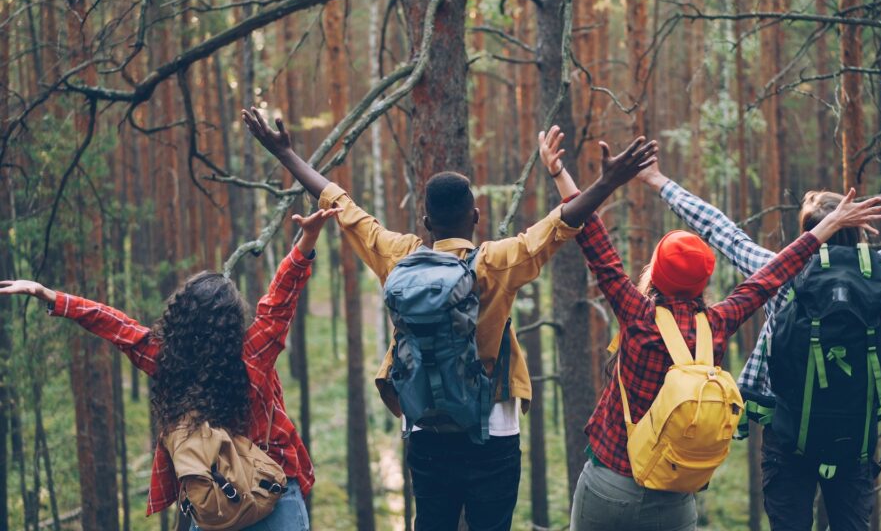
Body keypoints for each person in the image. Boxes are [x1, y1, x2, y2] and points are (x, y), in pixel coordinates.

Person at [241, 107, 657, 531]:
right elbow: (560, 224)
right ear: (475, 216)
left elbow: (340, 204)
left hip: (424, 425)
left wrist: (287, 154)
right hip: (493, 430)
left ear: (426, 222)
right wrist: (607, 182)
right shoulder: (496, 263)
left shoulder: (398, 256)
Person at [634, 146, 881, 530]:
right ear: (856, 228)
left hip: (787, 438)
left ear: (808, 232)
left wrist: (657, 180)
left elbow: (720, 230)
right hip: (853, 442)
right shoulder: (879, 271)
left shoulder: (780, 271)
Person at [538, 129, 881, 531]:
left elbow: (596, 243)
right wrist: (825, 229)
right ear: (704, 282)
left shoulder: (638, 316)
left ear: (655, 272)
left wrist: (560, 173)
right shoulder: (717, 325)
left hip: (609, 484)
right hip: (674, 497)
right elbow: (775, 274)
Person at [0, 208, 339, 530]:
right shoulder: (253, 355)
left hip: (217, 500)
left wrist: (54, 298)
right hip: (273, 491)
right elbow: (279, 301)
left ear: (181, 318)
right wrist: (307, 240)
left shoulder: (169, 362)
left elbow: (118, 327)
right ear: (232, 321)